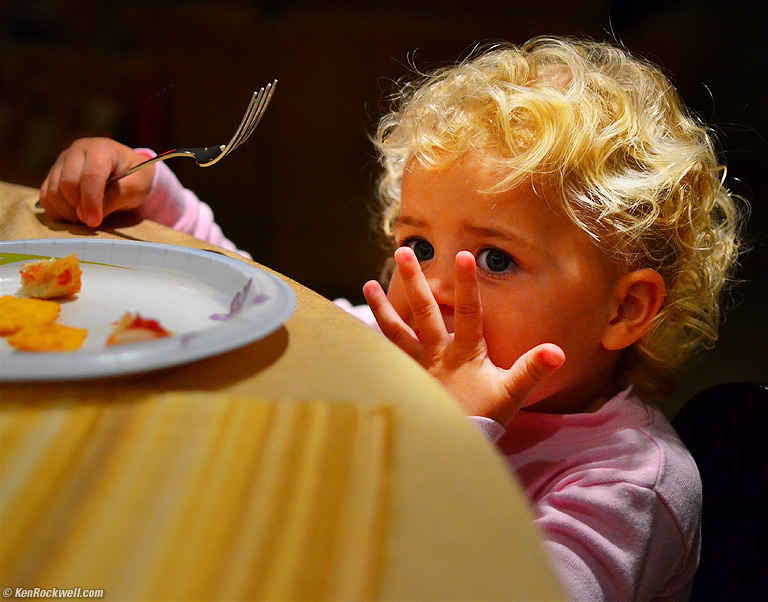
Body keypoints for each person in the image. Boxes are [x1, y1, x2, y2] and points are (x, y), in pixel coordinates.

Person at [39, 36, 745, 601]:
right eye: (419, 244)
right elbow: (256, 312)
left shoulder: (632, 487)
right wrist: (152, 195)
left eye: (495, 260)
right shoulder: (407, 343)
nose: (431, 285)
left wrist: (453, 435)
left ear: (624, 308)